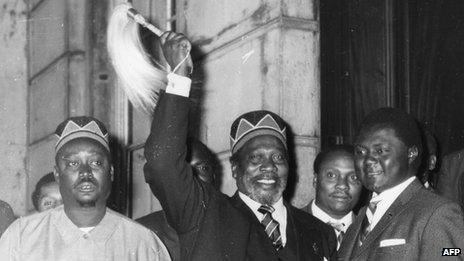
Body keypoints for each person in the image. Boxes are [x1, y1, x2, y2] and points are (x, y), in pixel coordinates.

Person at [143, 31, 337, 261]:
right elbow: (162, 163)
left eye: (278, 158)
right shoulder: (206, 214)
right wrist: (179, 76)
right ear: (235, 168)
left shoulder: (319, 233)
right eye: (255, 159)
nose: (269, 167)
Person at [0, 116, 170, 261]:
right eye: (73, 164)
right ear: (57, 174)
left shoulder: (143, 243)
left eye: (96, 163)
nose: (85, 173)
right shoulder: (21, 237)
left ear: (110, 172)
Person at [338, 108, 464, 261]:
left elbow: (452, 253)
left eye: (380, 151)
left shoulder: (436, 214)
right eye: (360, 152)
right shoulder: (358, 221)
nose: (369, 160)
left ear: (411, 154)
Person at [136, 138, 219, 261]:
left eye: (202, 168)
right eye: (181, 172)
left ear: (214, 176)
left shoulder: (236, 225)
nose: (191, 180)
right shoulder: (138, 233)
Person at [303, 145, 362, 249]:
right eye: (331, 175)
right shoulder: (288, 225)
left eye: (354, 177)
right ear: (315, 180)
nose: (343, 185)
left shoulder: (370, 231)